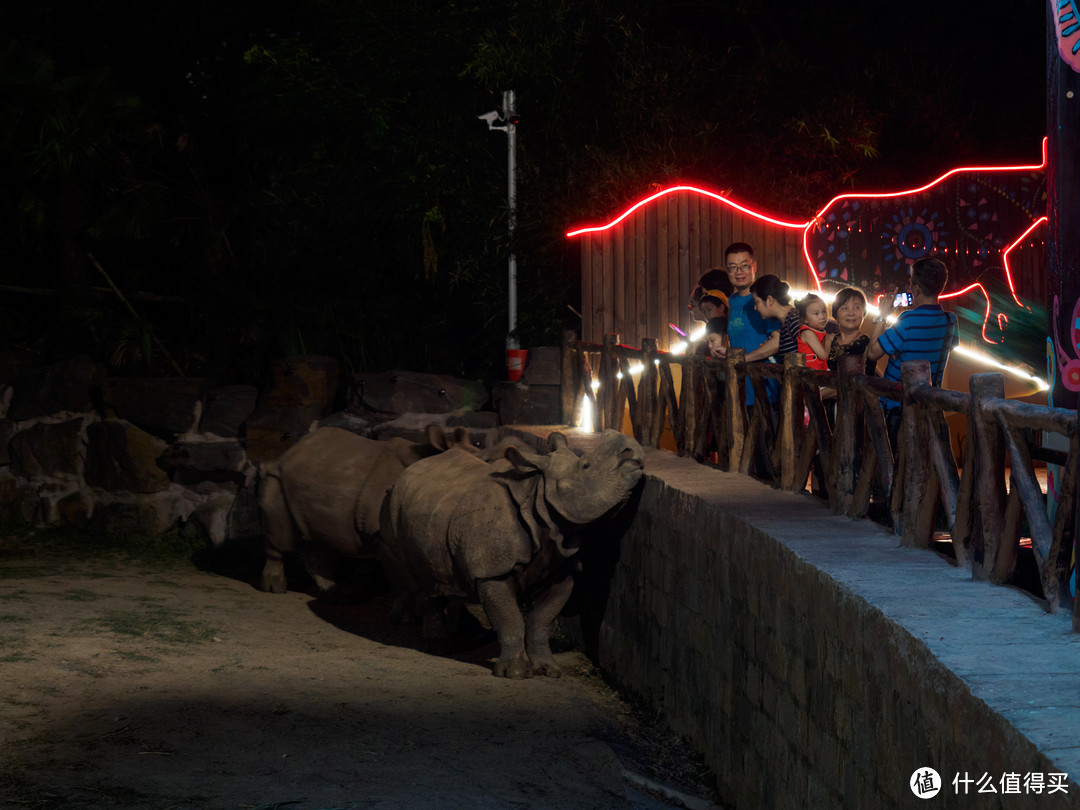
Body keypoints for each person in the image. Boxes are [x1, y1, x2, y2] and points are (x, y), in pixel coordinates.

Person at [866, 257, 959, 450]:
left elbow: (873, 353)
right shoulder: (951, 321)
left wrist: (882, 314)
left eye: (910, 281)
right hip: (929, 404)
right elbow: (940, 349)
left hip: (898, 408)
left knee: (894, 468)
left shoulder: (907, 319)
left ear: (916, 288)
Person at [722, 243, 779, 405]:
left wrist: (743, 359)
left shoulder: (765, 299)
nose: (739, 272)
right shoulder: (732, 301)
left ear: (754, 266)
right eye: (733, 267)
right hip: (739, 389)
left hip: (766, 391)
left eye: (744, 266)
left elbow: (778, 340)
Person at [743, 275, 826, 367]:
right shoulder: (787, 323)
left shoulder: (795, 321)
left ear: (769, 300)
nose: (755, 308)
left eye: (756, 302)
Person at [824, 287, 874, 375]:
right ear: (836, 315)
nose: (851, 313)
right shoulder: (828, 341)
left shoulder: (868, 344)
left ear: (864, 313)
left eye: (857, 307)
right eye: (845, 308)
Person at [796, 294, 829, 371]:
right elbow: (823, 356)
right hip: (810, 376)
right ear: (805, 319)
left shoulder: (819, 331)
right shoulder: (807, 333)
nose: (822, 317)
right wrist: (829, 340)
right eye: (816, 313)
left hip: (819, 373)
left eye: (824, 311)